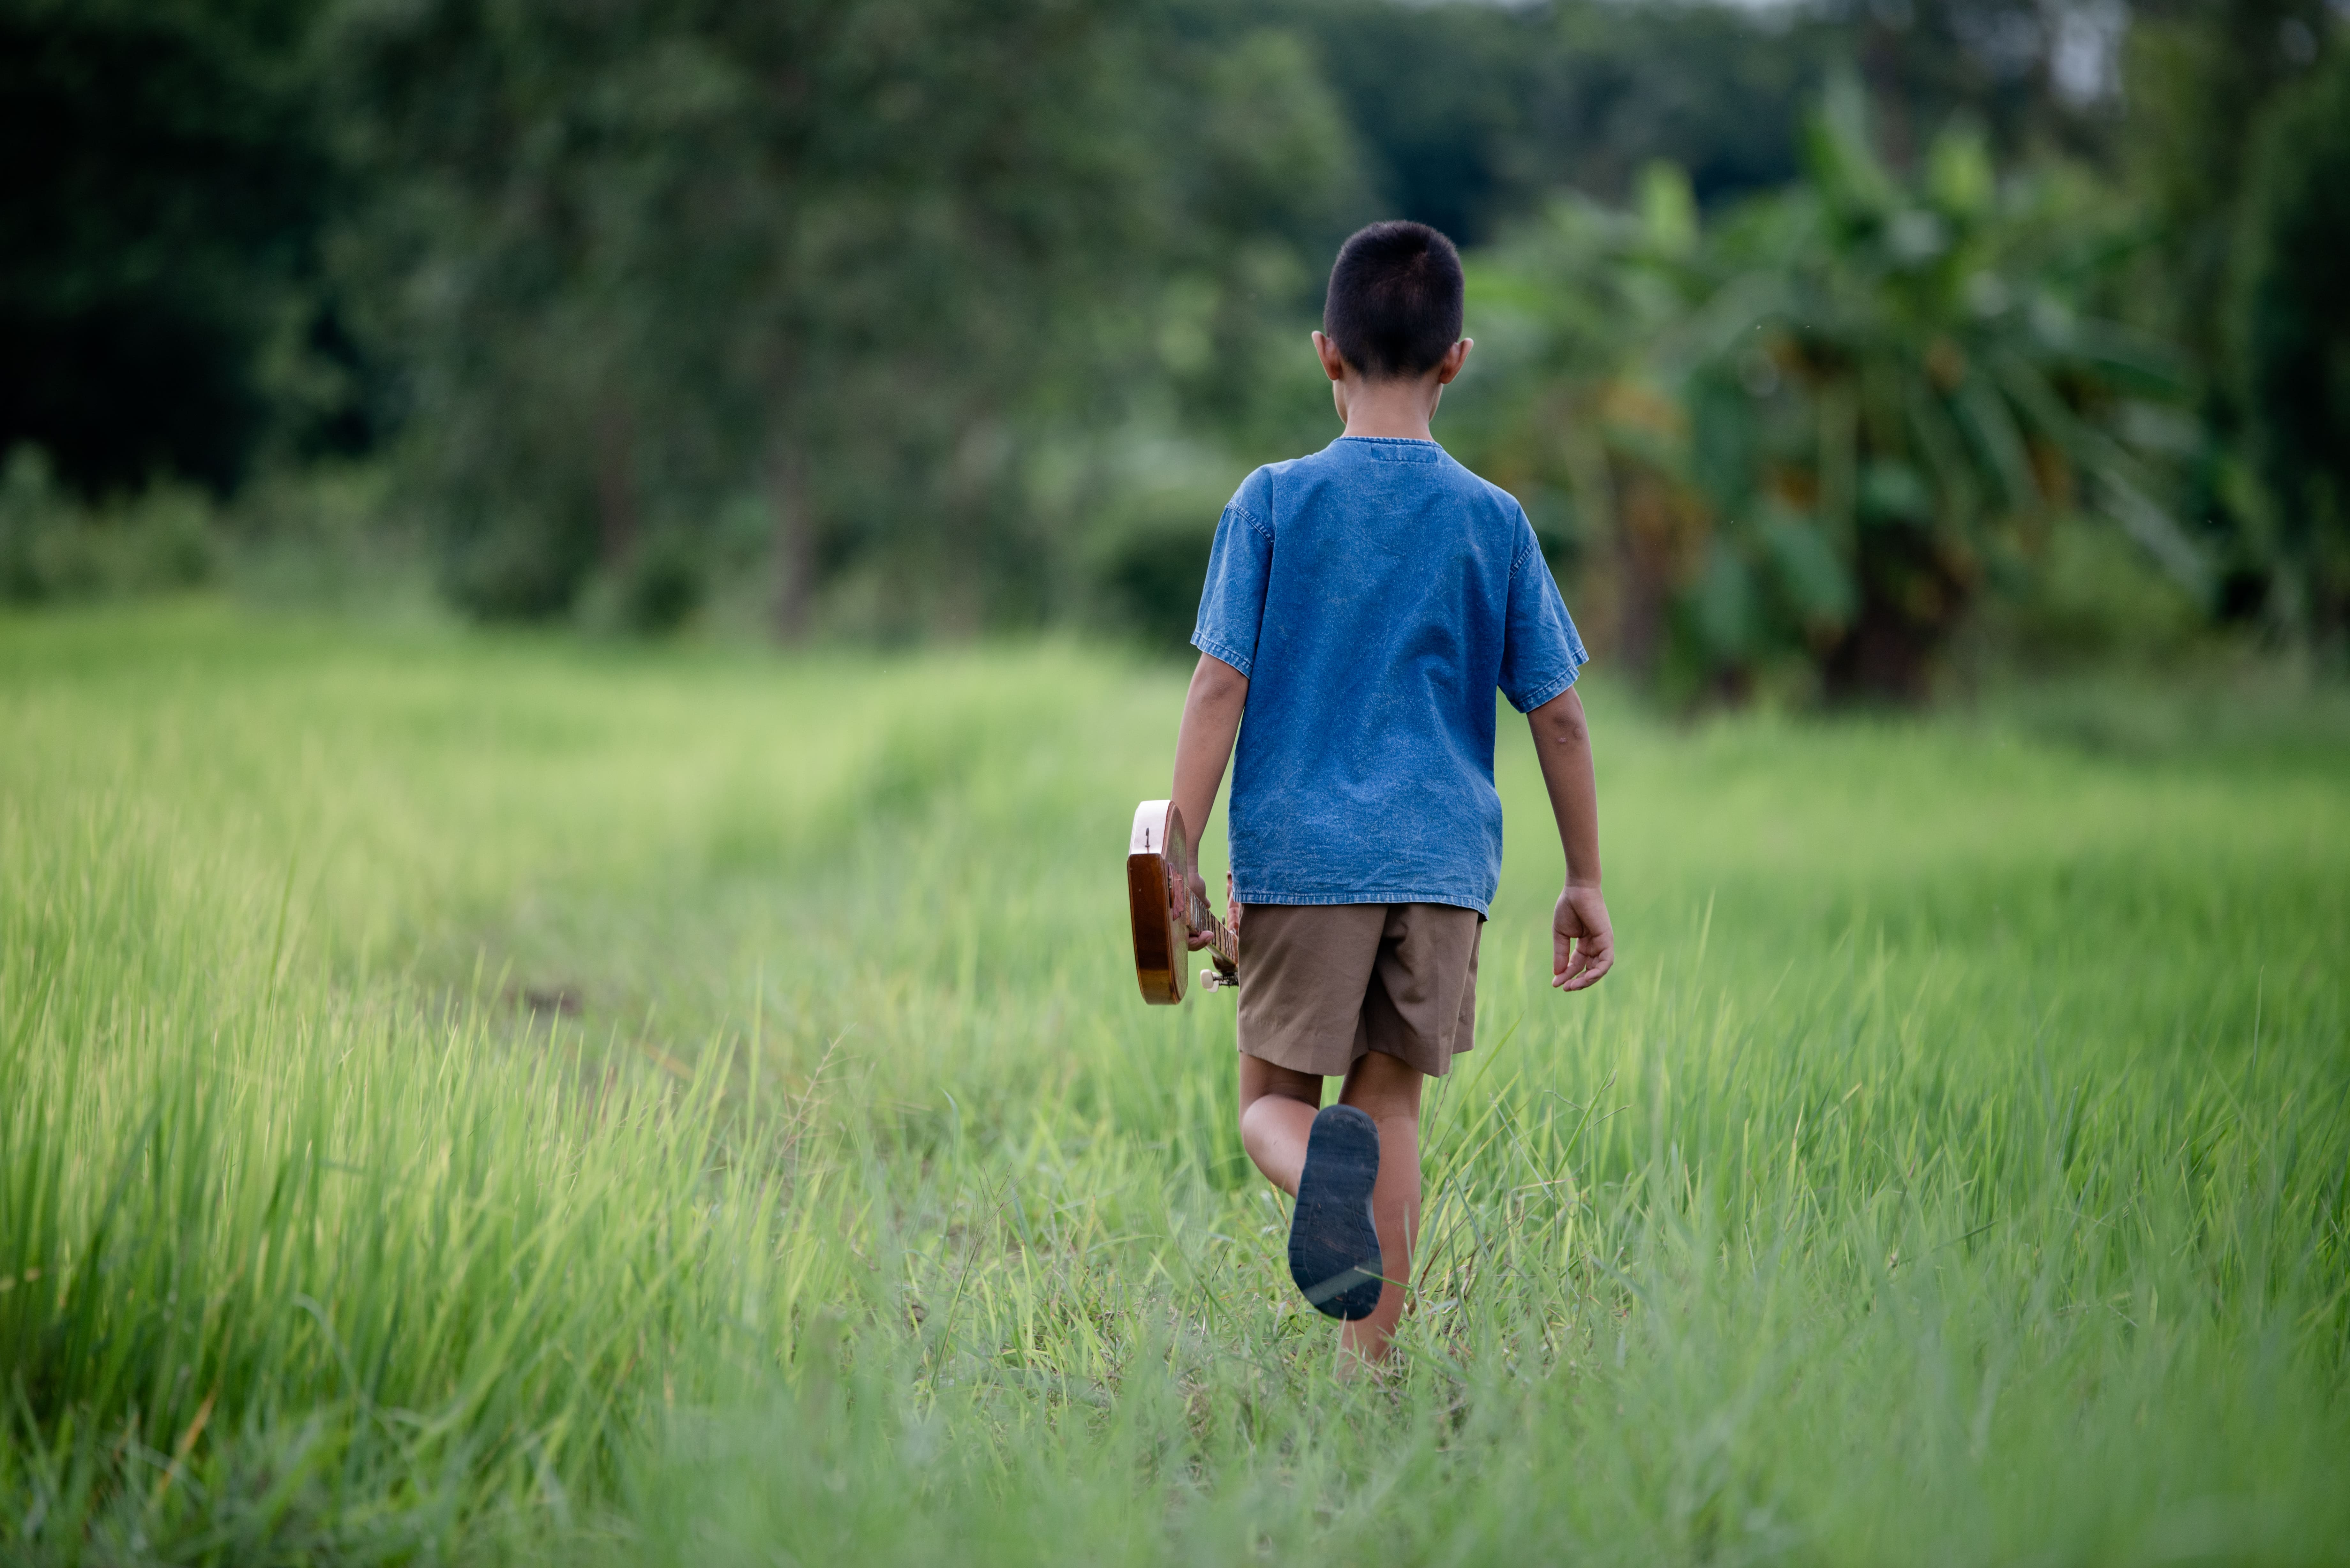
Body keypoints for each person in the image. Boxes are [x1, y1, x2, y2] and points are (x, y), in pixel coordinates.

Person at [1165, 219, 1614, 1368]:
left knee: (1276, 1103)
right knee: (1392, 1108)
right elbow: (1557, 712)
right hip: (1443, 868)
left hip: (1303, 858)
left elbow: (1220, 684)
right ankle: (1372, 1368)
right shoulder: (1495, 521)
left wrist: (1176, 851)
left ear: (1326, 353)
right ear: (1458, 358)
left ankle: (1318, 1168)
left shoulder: (1271, 501)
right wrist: (1585, 878)